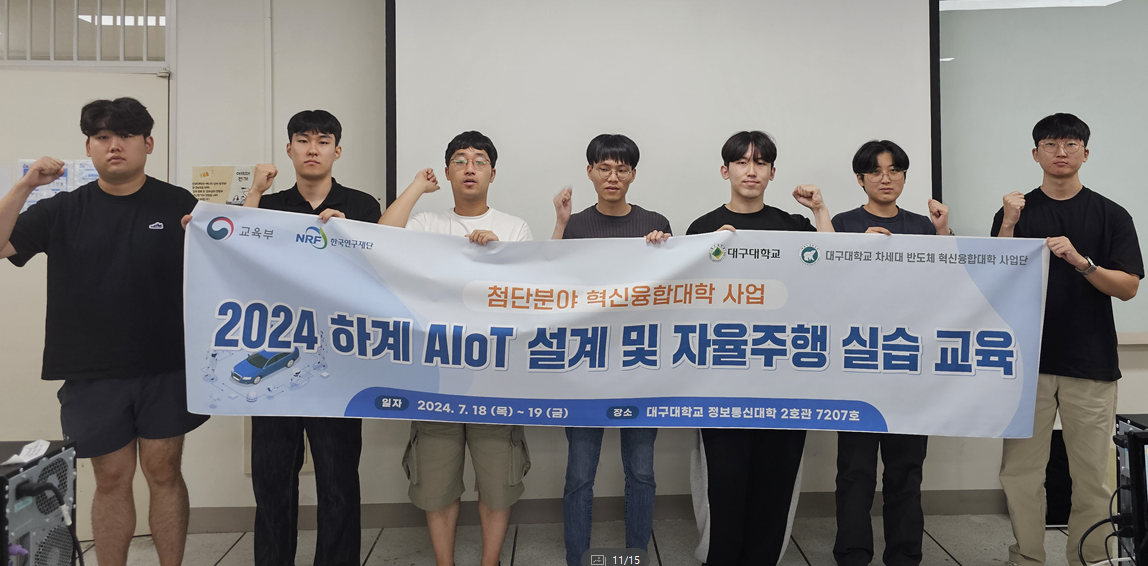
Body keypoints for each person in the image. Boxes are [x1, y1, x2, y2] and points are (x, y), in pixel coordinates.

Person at [0, 98, 208, 566]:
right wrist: (25, 184)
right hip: (92, 369)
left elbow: (231, 257)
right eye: (102, 136)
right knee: (111, 478)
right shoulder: (61, 209)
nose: (115, 145)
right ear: (88, 147)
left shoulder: (179, 204)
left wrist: (220, 227)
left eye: (127, 135)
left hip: (167, 364)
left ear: (148, 144)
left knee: (164, 472)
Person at [993, 113, 1142, 566]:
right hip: (1027, 364)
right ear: (1035, 152)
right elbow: (996, 281)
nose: (1061, 152)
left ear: (1085, 153)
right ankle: (1026, 557)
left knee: (1093, 477)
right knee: (1020, 473)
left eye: (1071, 144)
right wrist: (1009, 224)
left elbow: (1128, 287)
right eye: (1051, 144)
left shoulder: (1111, 214)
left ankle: (1091, 560)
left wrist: (1083, 262)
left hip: (1091, 363)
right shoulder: (1015, 211)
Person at [380, 131, 531, 566]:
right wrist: (416, 187)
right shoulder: (427, 223)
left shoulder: (514, 227)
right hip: (436, 375)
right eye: (460, 161)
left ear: (492, 174)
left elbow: (530, 294)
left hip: (494, 377)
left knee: (498, 484)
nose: (469, 168)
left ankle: (489, 561)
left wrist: (498, 256)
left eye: (479, 161)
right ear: (447, 172)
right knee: (436, 484)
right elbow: (381, 240)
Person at [686, 130, 833, 566]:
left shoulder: (793, 226)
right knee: (724, 484)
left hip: (784, 380)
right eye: (742, 162)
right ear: (725, 170)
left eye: (760, 162)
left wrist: (819, 210)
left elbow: (836, 268)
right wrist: (707, 252)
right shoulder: (703, 228)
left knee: (775, 483)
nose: (751, 170)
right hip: (721, 383)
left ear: (772, 172)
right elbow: (683, 301)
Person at [242, 110, 381, 566]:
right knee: (272, 480)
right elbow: (235, 252)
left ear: (337, 150)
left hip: (337, 365)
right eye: (303, 140)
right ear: (289, 149)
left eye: (323, 141)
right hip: (273, 359)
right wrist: (254, 191)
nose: (313, 149)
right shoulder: (269, 206)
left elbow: (376, 276)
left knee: (338, 481)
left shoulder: (361, 206)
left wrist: (344, 238)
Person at [550, 134, 670, 566]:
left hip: (639, 365)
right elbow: (550, 286)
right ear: (590, 172)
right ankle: (577, 556)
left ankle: (637, 553)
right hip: (587, 365)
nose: (613, 176)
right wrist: (560, 223)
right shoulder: (576, 225)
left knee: (641, 471)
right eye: (604, 168)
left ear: (633, 174)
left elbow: (673, 291)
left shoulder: (655, 222)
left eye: (622, 169)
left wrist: (665, 250)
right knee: (580, 473)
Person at [829, 139, 949, 566]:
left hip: (909, 366)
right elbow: (826, 285)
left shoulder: (922, 226)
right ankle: (853, 553)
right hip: (859, 364)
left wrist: (942, 233)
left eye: (895, 170)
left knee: (906, 471)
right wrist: (855, 248)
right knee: (855, 472)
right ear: (860, 178)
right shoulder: (843, 223)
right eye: (876, 171)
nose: (886, 178)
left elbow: (948, 287)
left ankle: (904, 554)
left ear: (904, 177)